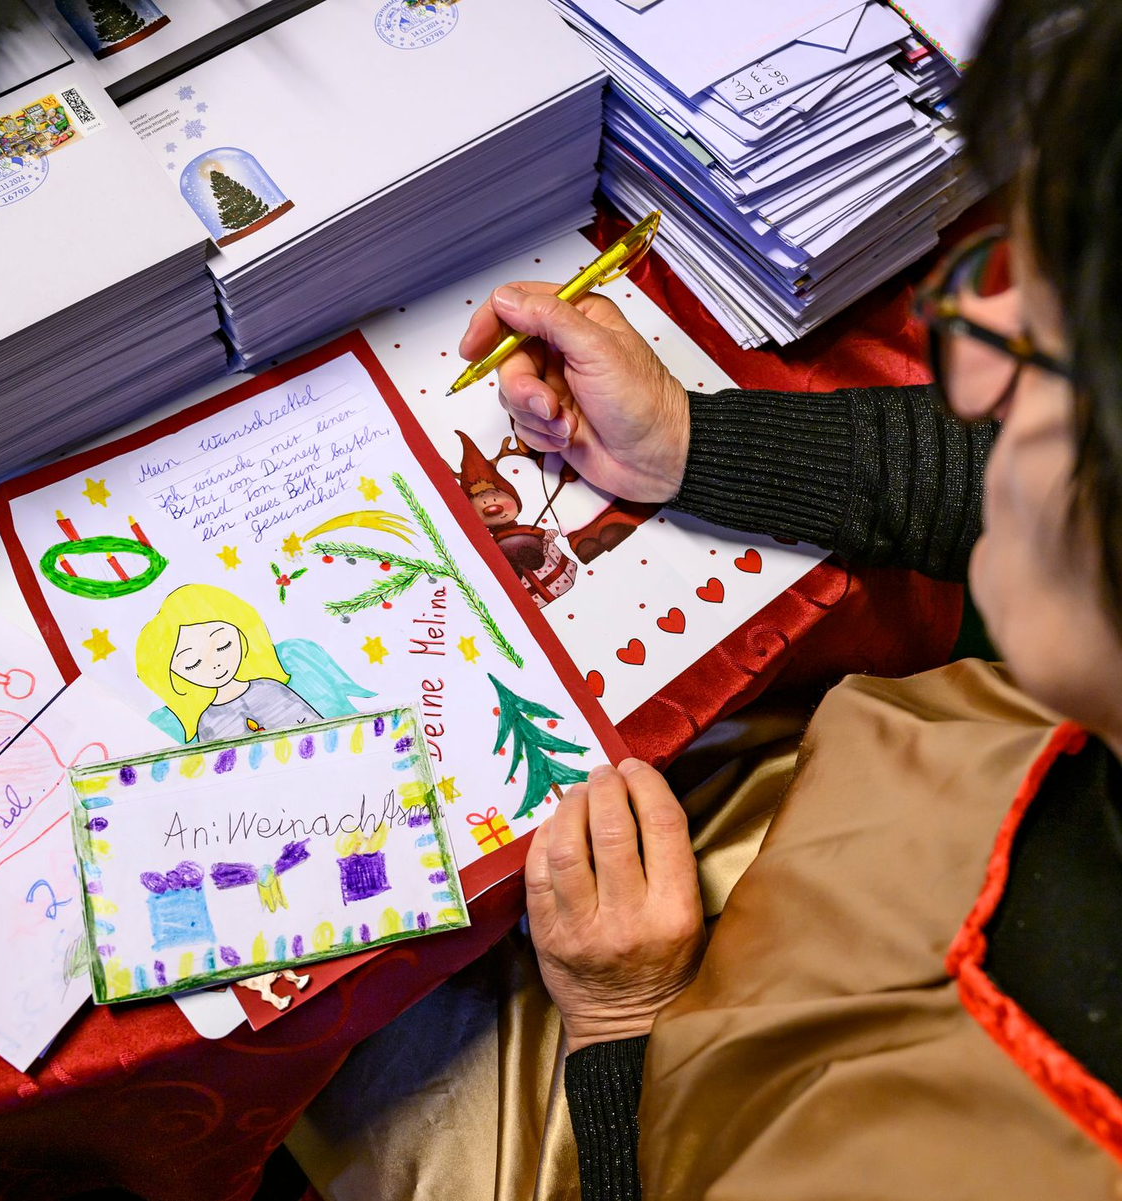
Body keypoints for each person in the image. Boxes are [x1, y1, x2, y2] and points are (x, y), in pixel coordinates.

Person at [289, 1, 1122, 1195]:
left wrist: (624, 1029)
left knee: (365, 1067)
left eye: (1042, 352)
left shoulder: (995, 1139)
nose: (962, 362)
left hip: (692, 1077)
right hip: (844, 840)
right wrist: (691, 443)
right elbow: (991, 480)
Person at [136, 583, 322, 742]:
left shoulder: (271, 689)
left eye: (223, 645)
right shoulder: (208, 722)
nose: (215, 664)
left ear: (242, 636)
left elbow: (320, 728)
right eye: (193, 663)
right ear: (175, 676)